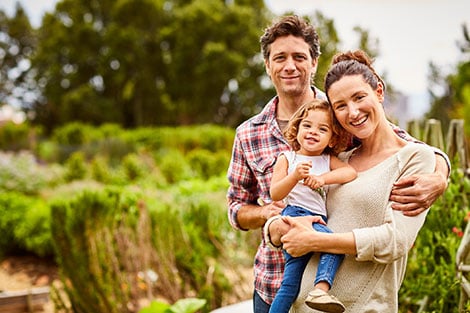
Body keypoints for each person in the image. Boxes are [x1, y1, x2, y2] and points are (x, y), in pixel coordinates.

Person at [226, 15, 449, 313]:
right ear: (268, 65)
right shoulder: (249, 133)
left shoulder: (338, 115)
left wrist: (441, 171)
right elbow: (236, 207)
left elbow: (396, 145)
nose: (289, 66)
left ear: (314, 62)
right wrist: (272, 216)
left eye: (299, 57)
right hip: (272, 279)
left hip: (332, 283)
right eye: (279, 57)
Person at [268, 99, 356, 313]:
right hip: (295, 216)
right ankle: (320, 290)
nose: (313, 132)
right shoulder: (287, 158)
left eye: (322, 129)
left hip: (317, 218)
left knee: (290, 285)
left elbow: (350, 173)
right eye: (307, 125)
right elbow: (275, 193)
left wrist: (323, 179)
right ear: (297, 128)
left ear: (332, 139)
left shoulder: (326, 159)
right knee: (334, 245)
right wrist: (294, 176)